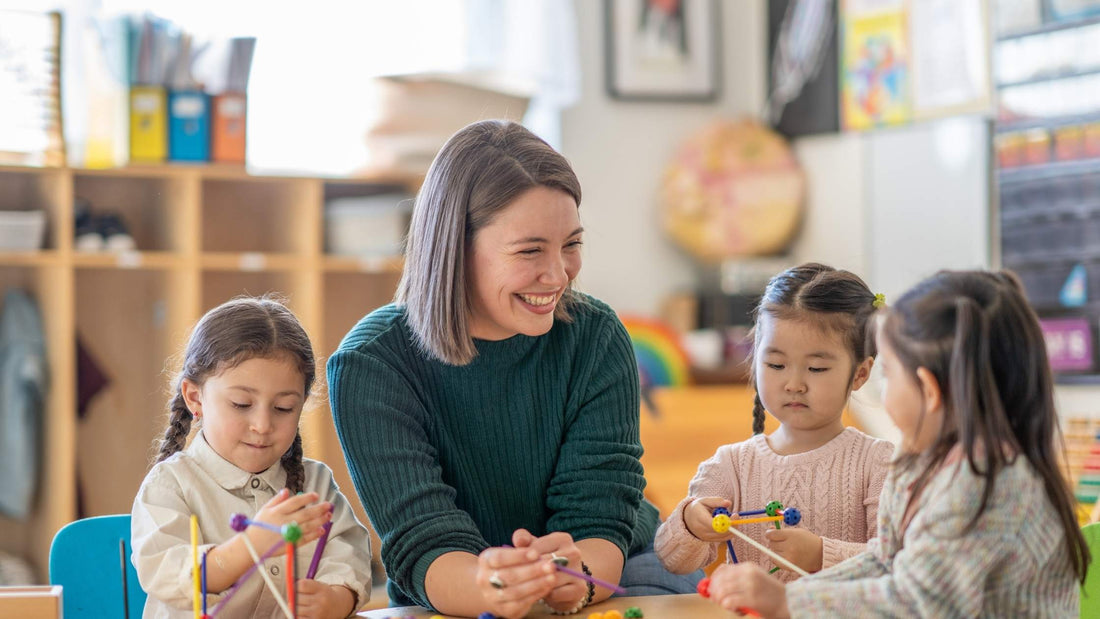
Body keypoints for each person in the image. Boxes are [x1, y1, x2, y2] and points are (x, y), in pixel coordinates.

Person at [327, 119, 700, 619]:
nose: (559, 273)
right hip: (456, 595)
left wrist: (577, 578)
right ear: (454, 249)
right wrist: (496, 588)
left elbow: (601, 519)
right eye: (530, 250)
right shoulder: (371, 365)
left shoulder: (595, 336)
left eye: (571, 244)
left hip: (622, 572)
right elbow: (423, 543)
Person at [705, 270, 1090, 617]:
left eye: (888, 372)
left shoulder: (988, 483)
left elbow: (919, 604)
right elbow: (887, 561)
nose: (880, 387)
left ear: (928, 390)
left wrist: (790, 603)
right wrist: (793, 597)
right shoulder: (921, 464)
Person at [131, 297, 372, 619]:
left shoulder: (315, 484)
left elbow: (348, 558)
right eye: (241, 404)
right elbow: (169, 574)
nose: (262, 425)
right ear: (195, 397)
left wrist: (334, 600)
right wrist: (253, 542)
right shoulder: (170, 485)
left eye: (284, 408)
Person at [654, 263, 893, 580]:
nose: (794, 383)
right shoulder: (731, 465)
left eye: (817, 368)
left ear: (860, 374)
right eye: (776, 364)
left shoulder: (878, 463)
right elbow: (674, 561)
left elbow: (898, 561)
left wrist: (821, 554)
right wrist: (690, 523)